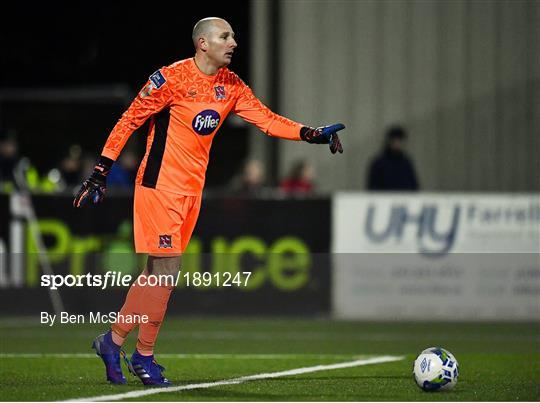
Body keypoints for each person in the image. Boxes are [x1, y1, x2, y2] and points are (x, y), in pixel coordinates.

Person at [73, 17, 345, 387]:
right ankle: (144, 356)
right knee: (166, 275)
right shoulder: (171, 78)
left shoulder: (230, 85)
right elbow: (129, 120)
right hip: (159, 187)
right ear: (202, 43)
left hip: (191, 192)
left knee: (154, 276)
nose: (233, 41)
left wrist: (309, 134)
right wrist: (100, 170)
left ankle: (112, 340)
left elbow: (266, 120)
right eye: (224, 36)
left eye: (232, 35)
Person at [367, 125, 419, 191]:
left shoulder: (406, 163)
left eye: (399, 141)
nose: (397, 144)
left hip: (404, 199)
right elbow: (373, 187)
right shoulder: (378, 163)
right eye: (394, 141)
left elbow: (414, 186)